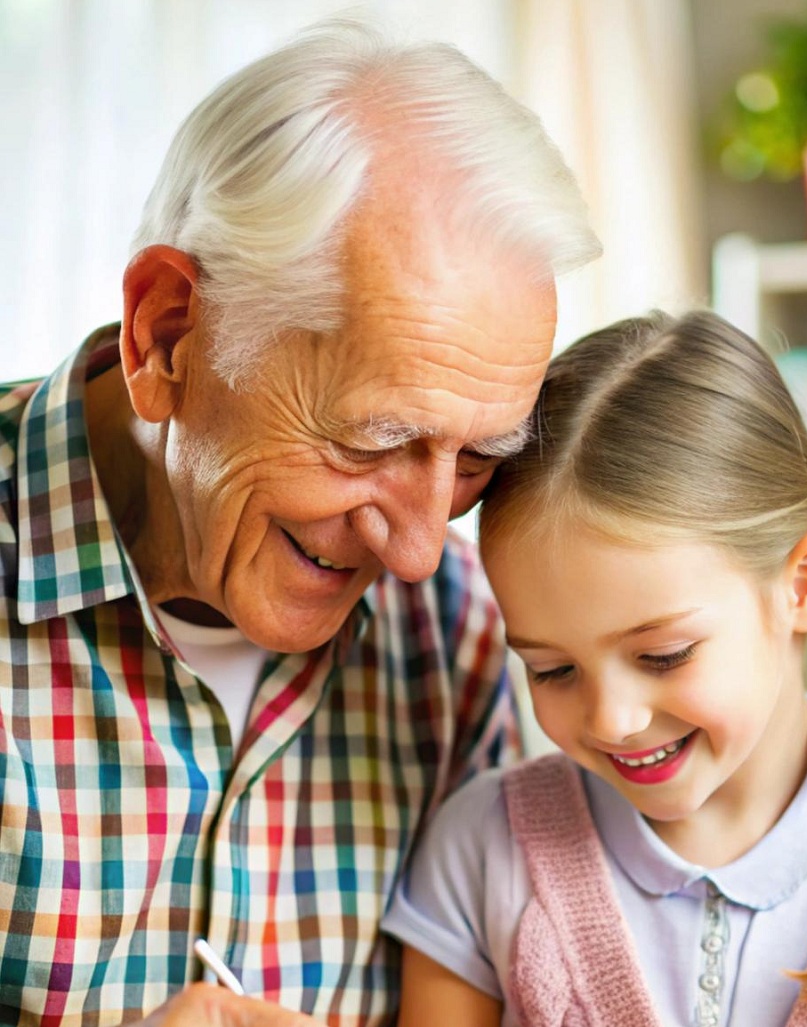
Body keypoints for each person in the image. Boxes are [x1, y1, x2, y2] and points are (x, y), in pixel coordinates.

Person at [0, 17, 600, 1027]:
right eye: (372, 440)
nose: (419, 553)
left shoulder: (456, 634)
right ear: (167, 333)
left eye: (475, 459)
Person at [383, 310, 807, 1026]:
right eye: (551, 669)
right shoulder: (479, 853)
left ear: (804, 585)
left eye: (663, 655)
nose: (612, 719)